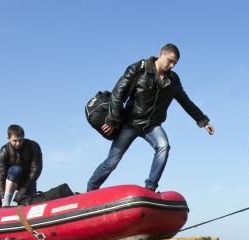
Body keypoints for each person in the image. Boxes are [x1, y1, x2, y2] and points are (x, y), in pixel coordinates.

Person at [87, 44, 215, 193]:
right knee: (112, 161)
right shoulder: (139, 69)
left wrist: (203, 121)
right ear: (161, 54)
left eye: (175, 63)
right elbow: (117, 93)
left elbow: (186, 102)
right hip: (130, 122)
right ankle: (91, 188)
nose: (171, 65)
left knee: (164, 146)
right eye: (170, 60)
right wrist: (112, 119)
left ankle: (150, 188)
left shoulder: (173, 80)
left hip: (152, 126)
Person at [0, 124, 42, 206]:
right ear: (8, 138)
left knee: (28, 204)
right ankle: (5, 204)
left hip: (28, 179)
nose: (18, 143)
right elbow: (0, 175)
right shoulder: (4, 151)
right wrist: (3, 197)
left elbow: (36, 170)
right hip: (12, 177)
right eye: (15, 140)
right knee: (16, 169)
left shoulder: (33, 146)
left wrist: (23, 190)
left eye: (20, 140)